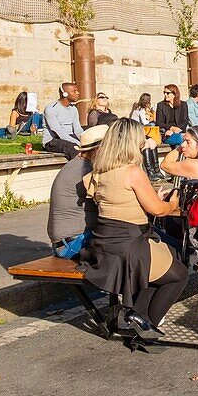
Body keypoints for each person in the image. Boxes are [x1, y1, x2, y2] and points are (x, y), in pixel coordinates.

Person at [80, 118, 187, 345]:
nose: (144, 141)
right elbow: (157, 210)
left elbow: (117, 202)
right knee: (179, 275)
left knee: (161, 267)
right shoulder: (132, 172)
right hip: (131, 243)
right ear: (131, 141)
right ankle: (148, 323)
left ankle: (138, 316)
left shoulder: (98, 172)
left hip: (105, 243)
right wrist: (173, 203)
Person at [47, 124, 106, 259]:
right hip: (75, 242)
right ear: (99, 149)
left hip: (66, 242)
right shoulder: (87, 170)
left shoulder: (78, 164)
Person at [42, 82, 84, 160]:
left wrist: (85, 140)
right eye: (74, 91)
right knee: (73, 148)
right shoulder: (51, 109)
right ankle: (79, 170)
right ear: (65, 94)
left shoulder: (73, 108)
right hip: (53, 140)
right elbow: (58, 132)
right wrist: (78, 143)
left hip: (70, 137)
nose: (78, 93)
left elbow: (78, 129)